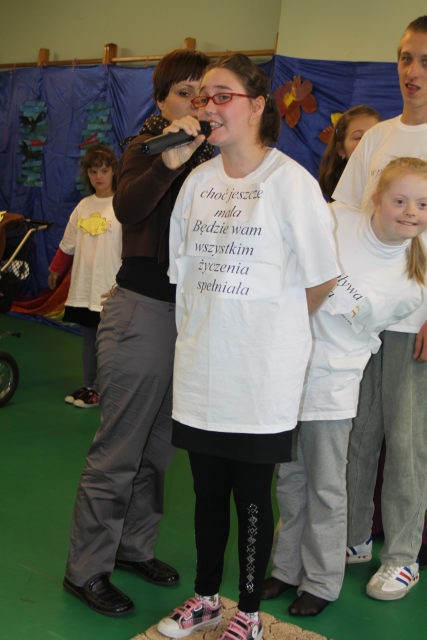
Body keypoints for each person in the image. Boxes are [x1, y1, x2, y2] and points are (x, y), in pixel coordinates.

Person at [153, 53, 339, 640]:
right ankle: (208, 598)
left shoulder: (292, 183)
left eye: (222, 96)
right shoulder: (197, 183)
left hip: (261, 377)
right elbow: (184, 277)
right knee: (206, 490)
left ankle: (251, 613)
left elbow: (322, 279)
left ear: (257, 105)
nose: (208, 107)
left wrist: (271, 331)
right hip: (203, 371)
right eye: (202, 97)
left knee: (252, 496)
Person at [62, 48, 214, 616]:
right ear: (161, 100)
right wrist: (169, 162)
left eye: (204, 94)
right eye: (184, 93)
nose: (195, 104)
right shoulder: (144, 149)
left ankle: (133, 548)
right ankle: (86, 569)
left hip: (188, 319)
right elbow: (127, 209)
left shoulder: (214, 160)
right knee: (119, 451)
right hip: (142, 312)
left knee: (158, 451)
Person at [261, 157, 427, 616]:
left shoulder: (411, 284)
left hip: (332, 386)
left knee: (326, 487)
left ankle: (322, 581)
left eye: (423, 204)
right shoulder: (335, 218)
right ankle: (285, 567)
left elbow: (334, 299)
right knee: (290, 479)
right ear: (375, 199)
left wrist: (314, 268)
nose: (410, 212)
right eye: (400, 200)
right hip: (286, 371)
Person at [332, 15, 427, 601]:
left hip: (414, 320)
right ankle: (354, 536)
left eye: (425, 61)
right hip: (360, 315)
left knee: (407, 438)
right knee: (357, 430)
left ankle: (403, 555)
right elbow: (342, 214)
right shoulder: (377, 138)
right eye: (406, 57)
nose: (412, 71)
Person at [48, 144, 121, 408]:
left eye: (104, 170)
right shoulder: (83, 206)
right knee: (88, 340)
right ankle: (89, 386)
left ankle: (103, 389)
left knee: (107, 342)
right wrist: (55, 269)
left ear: (113, 171)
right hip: (84, 289)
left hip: (109, 290)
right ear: (87, 174)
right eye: (93, 171)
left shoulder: (121, 206)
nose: (99, 176)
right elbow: (67, 244)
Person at [318, 105, 380, 201]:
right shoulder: (335, 206)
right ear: (341, 149)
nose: (368, 142)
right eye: (358, 137)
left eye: (374, 135)